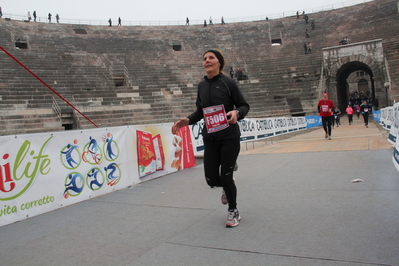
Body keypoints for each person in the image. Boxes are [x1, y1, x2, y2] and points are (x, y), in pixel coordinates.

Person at [171, 49, 250, 228]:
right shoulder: (202, 86)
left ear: (219, 62)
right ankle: (226, 184)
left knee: (227, 176)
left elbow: (244, 105)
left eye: (211, 58)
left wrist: (237, 112)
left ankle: (233, 210)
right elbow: (200, 111)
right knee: (211, 179)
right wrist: (188, 120)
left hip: (229, 136)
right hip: (211, 138)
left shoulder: (228, 82)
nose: (207, 61)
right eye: (205, 58)